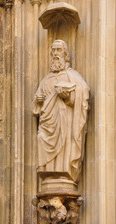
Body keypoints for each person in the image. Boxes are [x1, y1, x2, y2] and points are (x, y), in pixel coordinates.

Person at [33, 40, 89, 182]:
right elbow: (37, 102)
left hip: (65, 118)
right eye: (54, 50)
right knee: (41, 137)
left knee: (65, 142)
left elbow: (83, 93)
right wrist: (38, 100)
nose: (56, 53)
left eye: (59, 50)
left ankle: (64, 171)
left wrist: (69, 96)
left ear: (65, 53)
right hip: (48, 121)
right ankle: (49, 172)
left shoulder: (72, 76)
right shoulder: (46, 79)